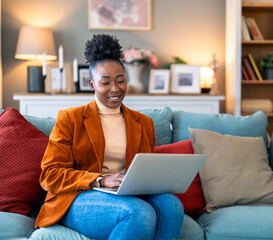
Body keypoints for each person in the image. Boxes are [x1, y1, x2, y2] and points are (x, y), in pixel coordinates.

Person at [35, 34, 184, 240]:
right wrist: (101, 180)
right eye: (105, 82)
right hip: (78, 197)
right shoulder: (70, 119)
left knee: (172, 205)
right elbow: (50, 175)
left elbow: (146, 171)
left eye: (121, 81)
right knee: (139, 212)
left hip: (126, 194)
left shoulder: (144, 123)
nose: (115, 89)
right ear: (92, 84)